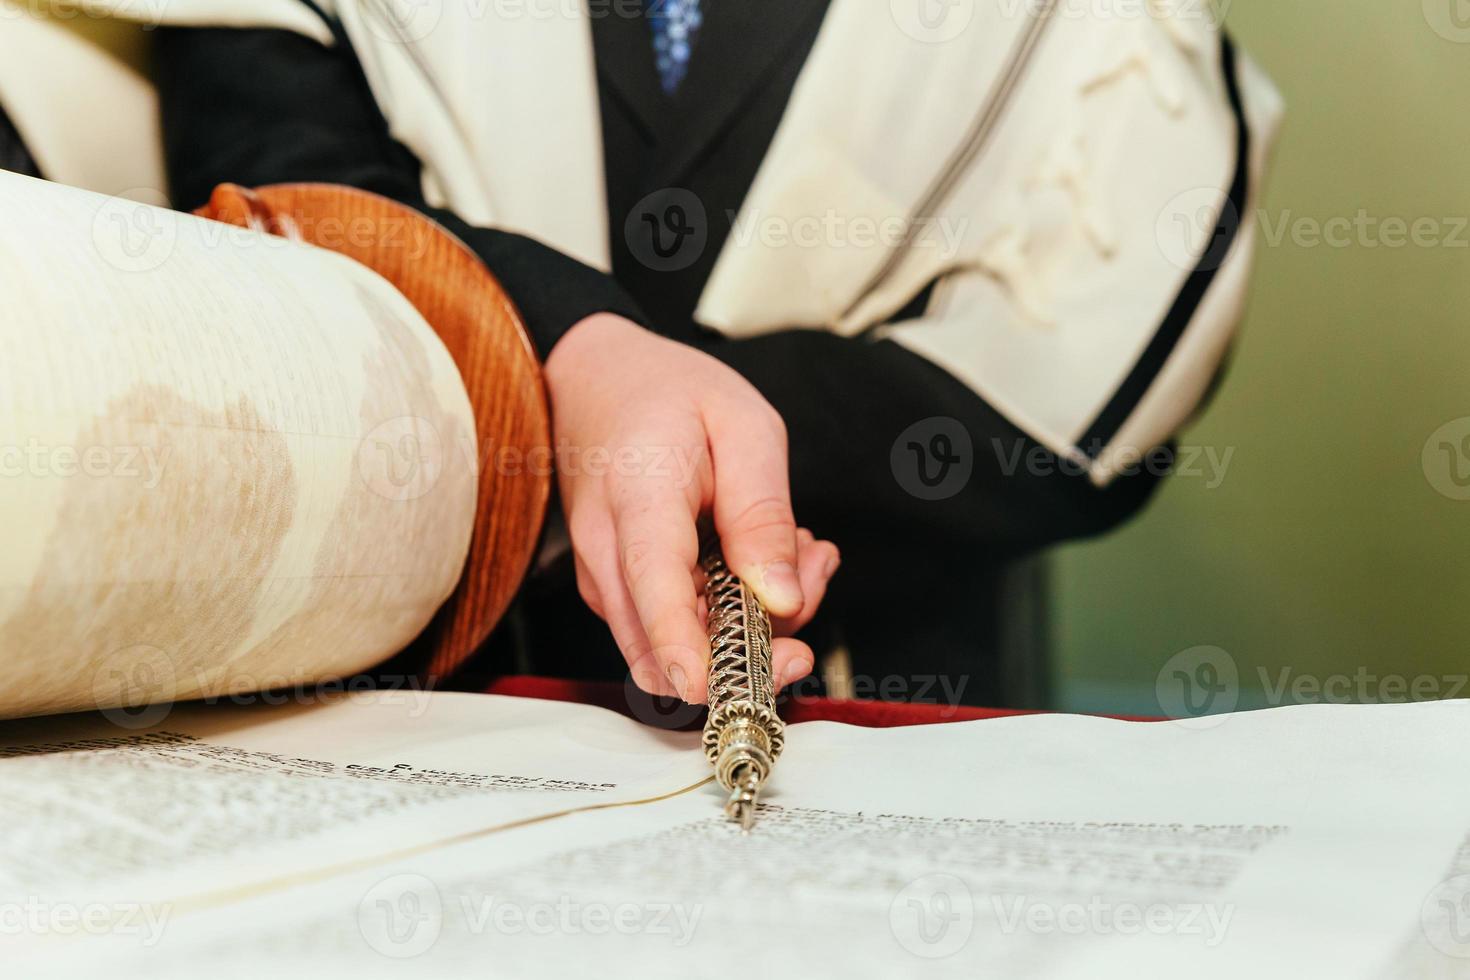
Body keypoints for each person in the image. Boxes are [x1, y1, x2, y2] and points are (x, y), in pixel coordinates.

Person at [148, 0, 1282, 706]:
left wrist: (656, 419)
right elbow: (279, 203)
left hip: (877, 690)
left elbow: (1077, 387)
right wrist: (578, 354)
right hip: (427, 683)